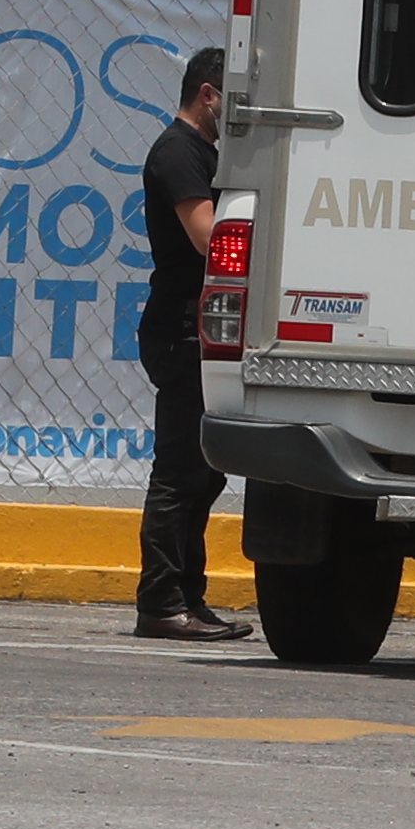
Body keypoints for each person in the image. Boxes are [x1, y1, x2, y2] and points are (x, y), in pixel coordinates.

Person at [133, 46, 246, 641]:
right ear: (208, 94)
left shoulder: (205, 152)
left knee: (205, 474)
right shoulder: (178, 152)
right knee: (178, 472)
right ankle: (160, 603)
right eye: (232, 98)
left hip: (203, 327)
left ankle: (189, 597)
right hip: (181, 328)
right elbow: (208, 238)